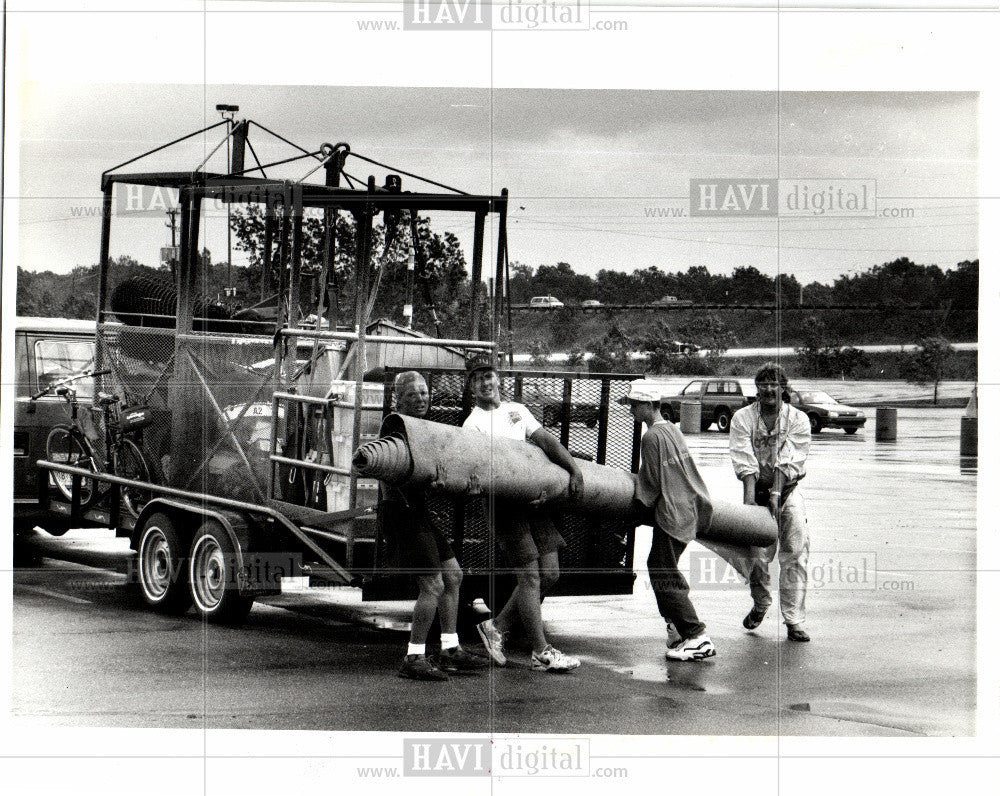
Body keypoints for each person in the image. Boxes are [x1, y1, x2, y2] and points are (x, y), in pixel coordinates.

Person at [463, 355, 583, 673]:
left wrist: (572, 469)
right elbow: (478, 472)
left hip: (534, 501)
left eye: (489, 375)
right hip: (503, 506)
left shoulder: (517, 411)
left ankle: (496, 627)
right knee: (529, 577)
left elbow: (545, 441)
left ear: (498, 378)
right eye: (478, 378)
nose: (486, 382)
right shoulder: (472, 424)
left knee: (551, 574)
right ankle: (540, 651)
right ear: (471, 386)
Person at [382, 371, 488, 680]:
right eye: (412, 395)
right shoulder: (395, 427)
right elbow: (397, 474)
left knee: (453, 575)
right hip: (401, 513)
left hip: (419, 512)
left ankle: (450, 650)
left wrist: (460, 484)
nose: (420, 399)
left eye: (424, 393)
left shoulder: (425, 428)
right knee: (433, 584)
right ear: (398, 399)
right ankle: (413, 657)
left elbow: (436, 473)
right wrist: (435, 484)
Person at [719, 363, 812, 642]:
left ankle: (794, 621)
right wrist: (751, 504)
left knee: (795, 553)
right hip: (756, 494)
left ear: (784, 388)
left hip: (788, 493)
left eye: (774, 384)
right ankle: (761, 604)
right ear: (756, 388)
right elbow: (743, 458)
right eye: (763, 384)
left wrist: (776, 494)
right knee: (757, 559)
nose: (769, 389)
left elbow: (790, 458)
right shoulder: (741, 418)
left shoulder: (798, 419)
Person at [627, 381, 717, 661]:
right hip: (688, 509)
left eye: (633, 404)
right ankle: (676, 630)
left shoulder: (651, 437)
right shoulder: (672, 429)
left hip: (672, 514)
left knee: (664, 572)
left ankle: (697, 635)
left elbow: (650, 486)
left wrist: (630, 512)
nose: (631, 409)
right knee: (661, 567)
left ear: (646, 405)